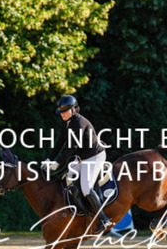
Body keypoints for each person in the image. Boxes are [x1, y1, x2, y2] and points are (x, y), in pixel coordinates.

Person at [42, 95, 114, 233]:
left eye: (65, 111)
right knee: (68, 178)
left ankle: (104, 219)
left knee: (86, 188)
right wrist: (49, 159)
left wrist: (58, 163)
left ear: (74, 109)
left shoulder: (79, 123)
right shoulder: (67, 123)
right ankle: (81, 212)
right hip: (82, 157)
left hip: (94, 156)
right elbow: (59, 144)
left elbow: (72, 147)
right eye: (61, 112)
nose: (62, 114)